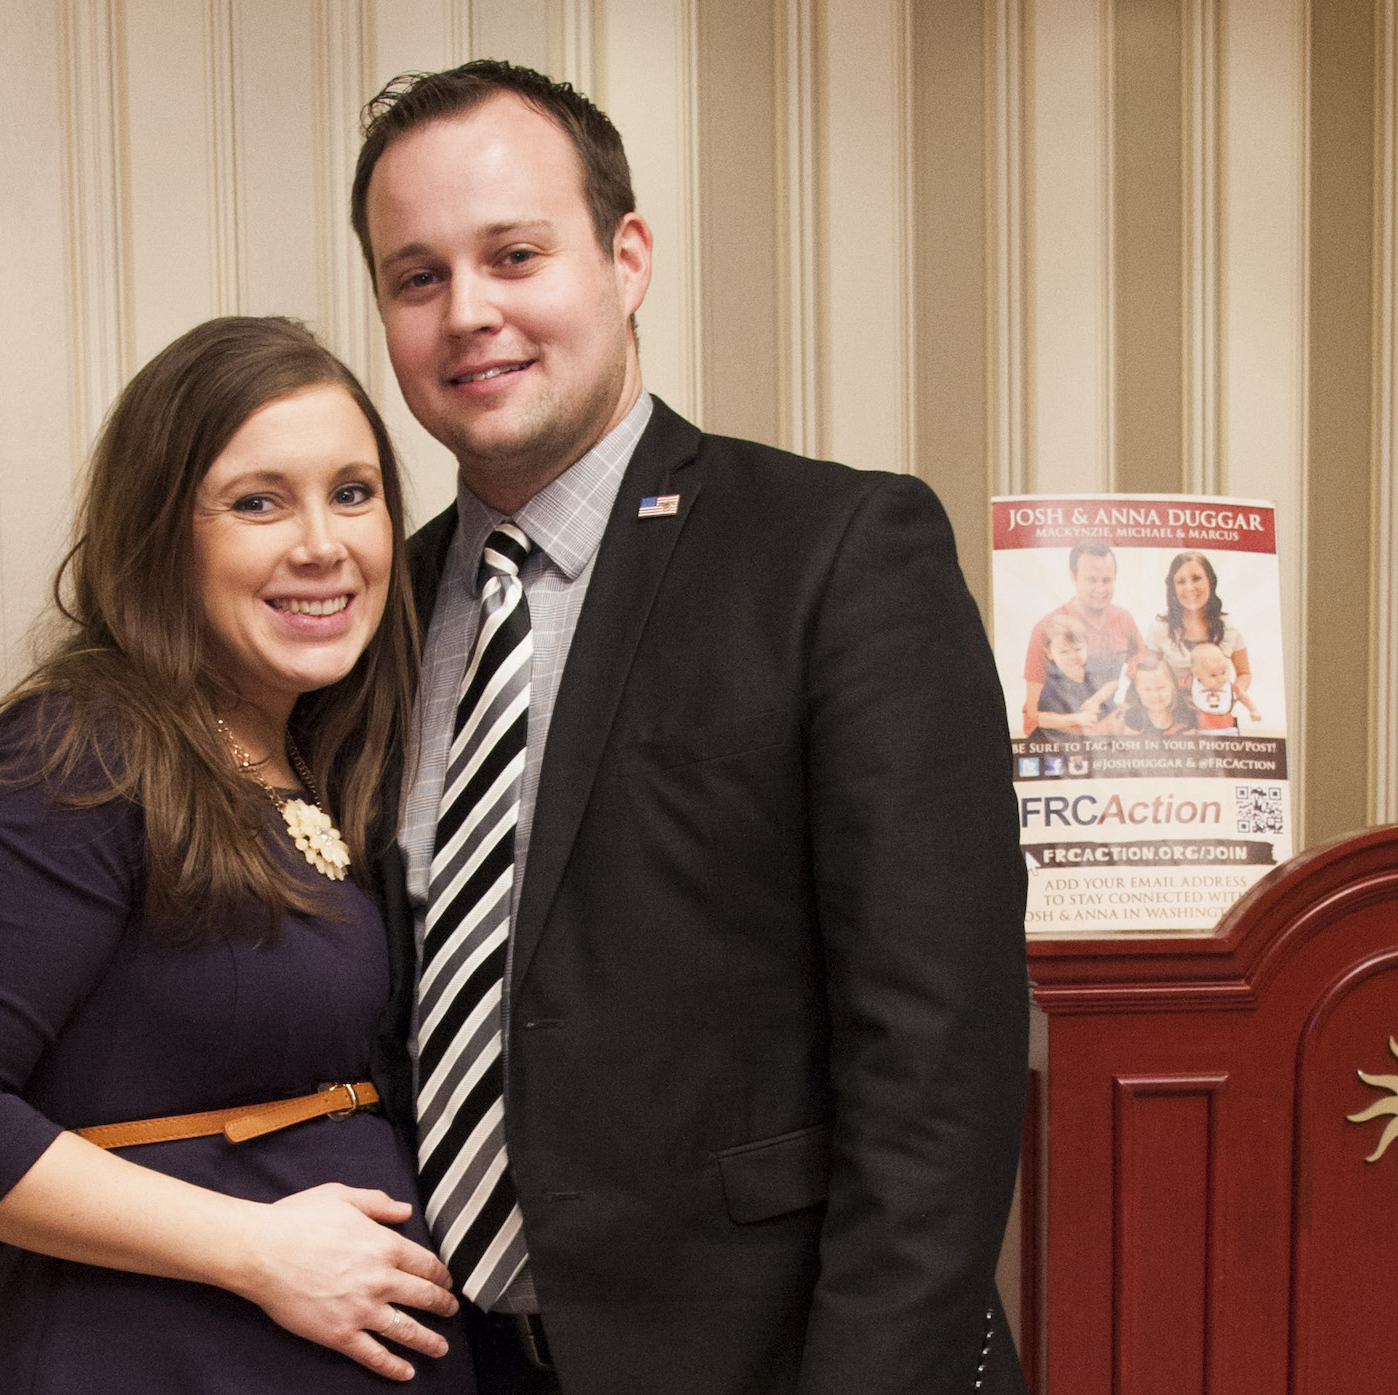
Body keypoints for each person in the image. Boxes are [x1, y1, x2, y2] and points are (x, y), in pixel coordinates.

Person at [350, 60, 1029, 1395]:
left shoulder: (837, 553)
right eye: (417, 276)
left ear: (627, 256)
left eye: (516, 253)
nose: (468, 313)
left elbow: (938, 1056)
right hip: (460, 1360)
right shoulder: (381, 609)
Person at [0, 317, 472, 1392]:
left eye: (354, 492)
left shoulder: (323, 760)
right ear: (162, 535)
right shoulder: (83, 747)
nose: (323, 543)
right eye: (258, 501)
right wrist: (259, 1248)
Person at [1019, 539, 1142, 735]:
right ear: (1073, 577)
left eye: (1107, 580)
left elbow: (1144, 670)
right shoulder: (1045, 629)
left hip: (1110, 739)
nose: (1100, 589)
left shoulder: (1124, 620)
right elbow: (1031, 718)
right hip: (1064, 742)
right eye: (1091, 580)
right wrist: (1090, 728)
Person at [1147, 550, 1253, 695]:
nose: (1189, 588)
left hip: (1216, 711)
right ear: (1173, 587)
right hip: (1174, 713)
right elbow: (1147, 674)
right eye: (1181, 582)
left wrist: (1230, 698)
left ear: (1210, 581)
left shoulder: (1228, 626)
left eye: (1197, 578)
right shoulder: (1160, 629)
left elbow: (1244, 673)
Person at [1033, 613, 1122, 735]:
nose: (1073, 657)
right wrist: (1077, 718)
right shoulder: (1050, 682)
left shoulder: (1094, 664)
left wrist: (1096, 700)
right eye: (1064, 652)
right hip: (1066, 736)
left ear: (1086, 646)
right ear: (1049, 653)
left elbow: (1113, 683)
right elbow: (1043, 719)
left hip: (1101, 728)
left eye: (1078, 649)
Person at [1113, 650, 1198, 741]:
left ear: (1173, 686)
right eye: (1147, 690)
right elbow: (1131, 752)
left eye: (1161, 688)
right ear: (1137, 692)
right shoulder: (1134, 717)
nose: (1155, 695)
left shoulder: (1186, 714)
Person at [1186, 639, 1262, 734]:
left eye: (1223, 673)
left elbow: (1243, 696)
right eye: (1213, 675)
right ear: (1196, 674)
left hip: (1228, 730)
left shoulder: (1228, 687)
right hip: (1202, 731)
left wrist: (1253, 710)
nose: (1221, 679)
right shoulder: (1192, 684)